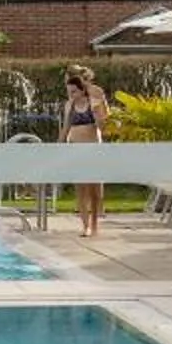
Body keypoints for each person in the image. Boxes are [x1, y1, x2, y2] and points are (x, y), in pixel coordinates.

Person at [61, 65, 111, 238]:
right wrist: (58, 146)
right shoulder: (69, 105)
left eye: (73, 91)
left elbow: (103, 127)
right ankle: (85, 225)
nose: (70, 94)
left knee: (95, 191)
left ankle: (95, 224)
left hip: (93, 149)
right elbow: (66, 128)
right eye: (69, 91)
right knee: (81, 188)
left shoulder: (93, 102)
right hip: (76, 150)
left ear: (82, 89)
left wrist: (100, 106)